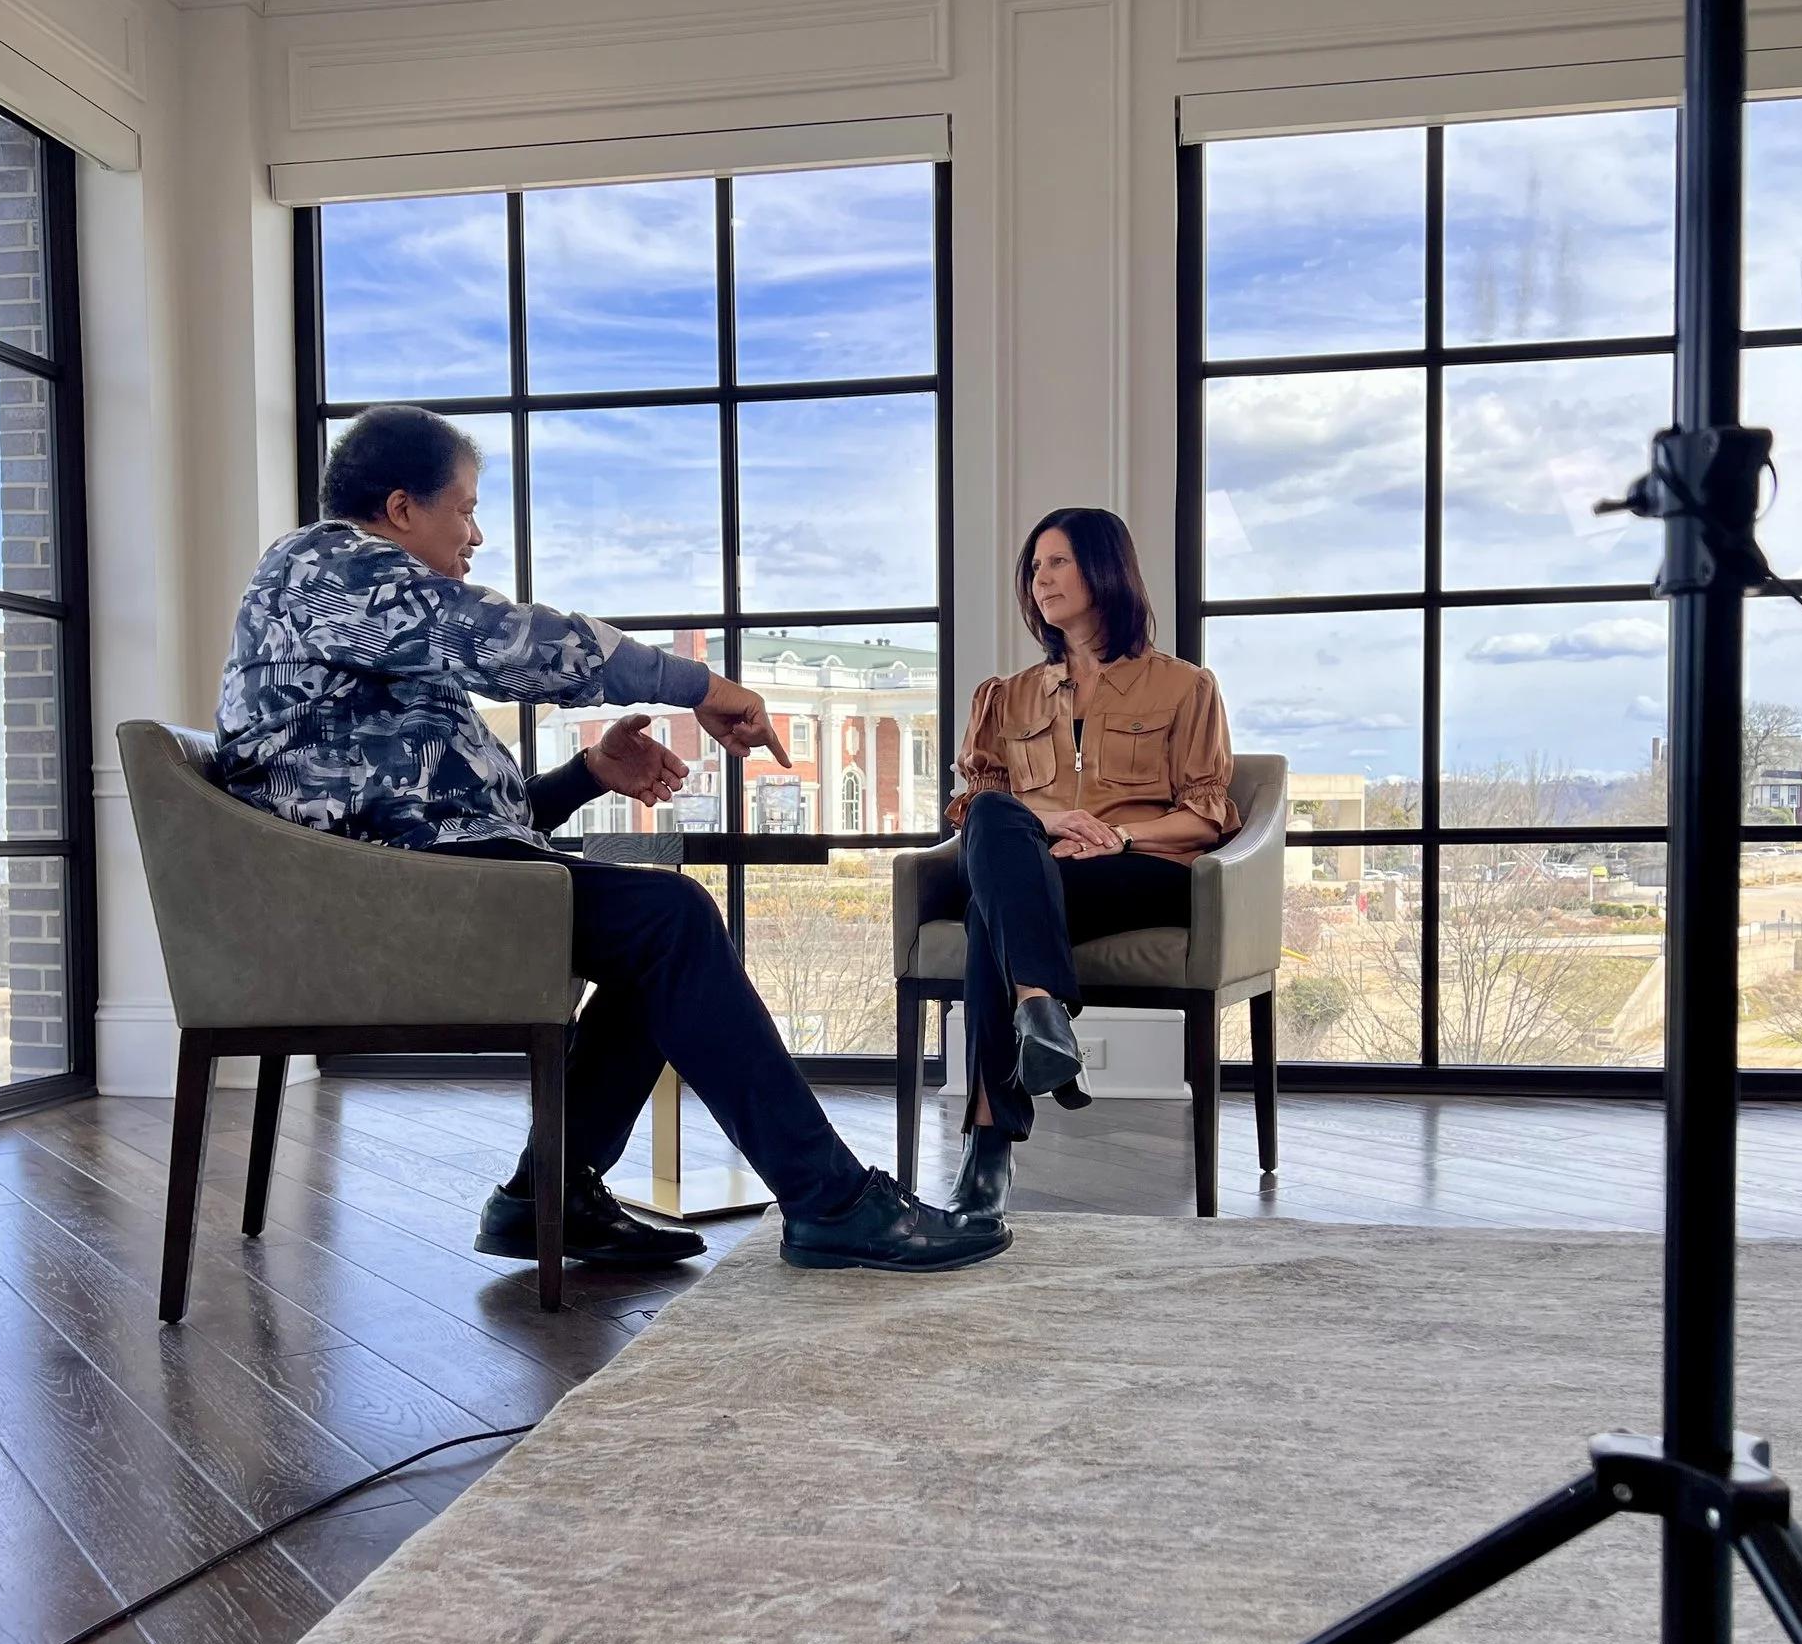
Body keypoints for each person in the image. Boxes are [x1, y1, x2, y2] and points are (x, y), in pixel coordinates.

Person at [215, 405, 1007, 1275]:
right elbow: (512, 640)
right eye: (465, 509)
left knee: (661, 936)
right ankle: (831, 1202)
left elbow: (470, 814)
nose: (476, 535)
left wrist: (592, 771)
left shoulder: (375, 627)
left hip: (404, 876)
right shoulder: (328, 570)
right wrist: (696, 683)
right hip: (372, 898)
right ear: (402, 508)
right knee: (669, 917)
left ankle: (544, 1194)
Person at [942, 506, 1240, 1216]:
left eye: (1058, 562)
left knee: (991, 913)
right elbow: (977, 802)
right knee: (990, 820)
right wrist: (1048, 822)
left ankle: (992, 1141)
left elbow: (1207, 812)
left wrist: (1120, 838)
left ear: (1104, 570)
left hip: (1140, 870)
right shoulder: (1005, 695)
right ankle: (1041, 1015)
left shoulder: (1184, 687)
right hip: (1032, 864)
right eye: (1034, 566)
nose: (1040, 578)